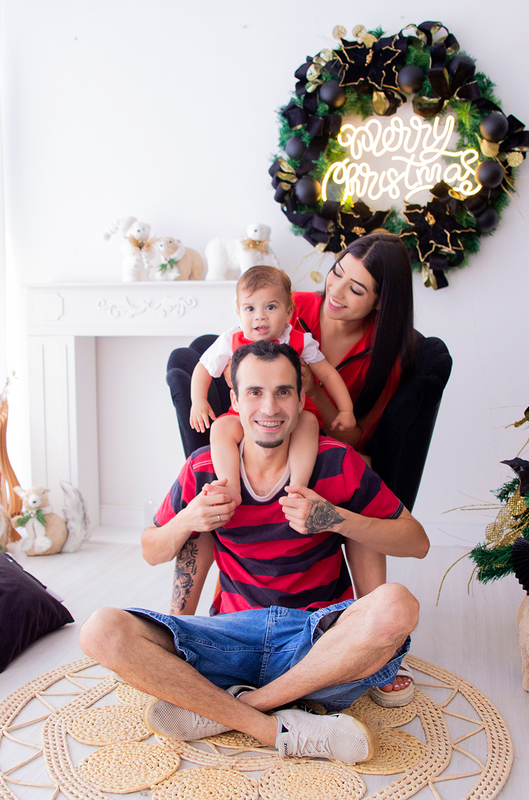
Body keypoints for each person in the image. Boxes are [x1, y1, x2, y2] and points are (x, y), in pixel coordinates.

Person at [80, 341, 429, 764]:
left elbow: (418, 541)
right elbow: (151, 550)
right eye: (255, 393)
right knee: (99, 630)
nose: (270, 406)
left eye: (283, 391)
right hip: (229, 638)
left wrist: (336, 518)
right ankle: (276, 726)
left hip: (316, 645)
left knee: (397, 606)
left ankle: (229, 710)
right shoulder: (204, 469)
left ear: (302, 400)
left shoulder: (337, 462)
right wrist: (188, 517)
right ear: (235, 401)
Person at [164, 231, 419, 703]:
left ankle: (277, 691)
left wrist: (313, 406)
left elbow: (356, 430)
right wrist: (220, 406)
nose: (336, 294)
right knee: (110, 629)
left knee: (344, 483)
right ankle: (193, 642)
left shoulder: (374, 355)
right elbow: (221, 360)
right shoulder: (282, 304)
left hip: (328, 441)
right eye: (335, 275)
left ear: (381, 304)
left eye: (356, 290)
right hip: (253, 444)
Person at [190, 266, 355, 517]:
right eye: (250, 309)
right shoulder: (231, 339)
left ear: (288, 312)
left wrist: (345, 409)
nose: (260, 317)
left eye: (270, 307)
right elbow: (203, 367)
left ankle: (297, 487)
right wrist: (198, 400)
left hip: (292, 418)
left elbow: (328, 373)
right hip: (247, 417)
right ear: (238, 312)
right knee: (221, 428)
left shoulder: (299, 340)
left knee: (309, 423)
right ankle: (231, 485)